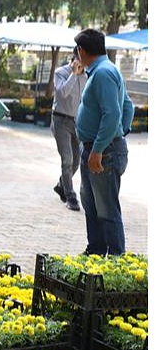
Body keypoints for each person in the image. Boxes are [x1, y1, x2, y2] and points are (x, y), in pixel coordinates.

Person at [74, 28, 134, 256]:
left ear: (81, 50)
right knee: (91, 205)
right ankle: (96, 252)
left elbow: (112, 114)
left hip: (102, 151)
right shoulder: (104, 71)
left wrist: (102, 146)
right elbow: (128, 107)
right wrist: (120, 133)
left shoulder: (103, 74)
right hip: (99, 148)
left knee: (106, 209)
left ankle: (115, 260)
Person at [51, 46, 87, 212]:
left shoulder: (87, 75)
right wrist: (74, 74)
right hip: (60, 120)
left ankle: (61, 185)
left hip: (77, 122)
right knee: (67, 159)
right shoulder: (61, 72)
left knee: (76, 161)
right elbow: (62, 93)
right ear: (74, 58)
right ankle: (70, 196)